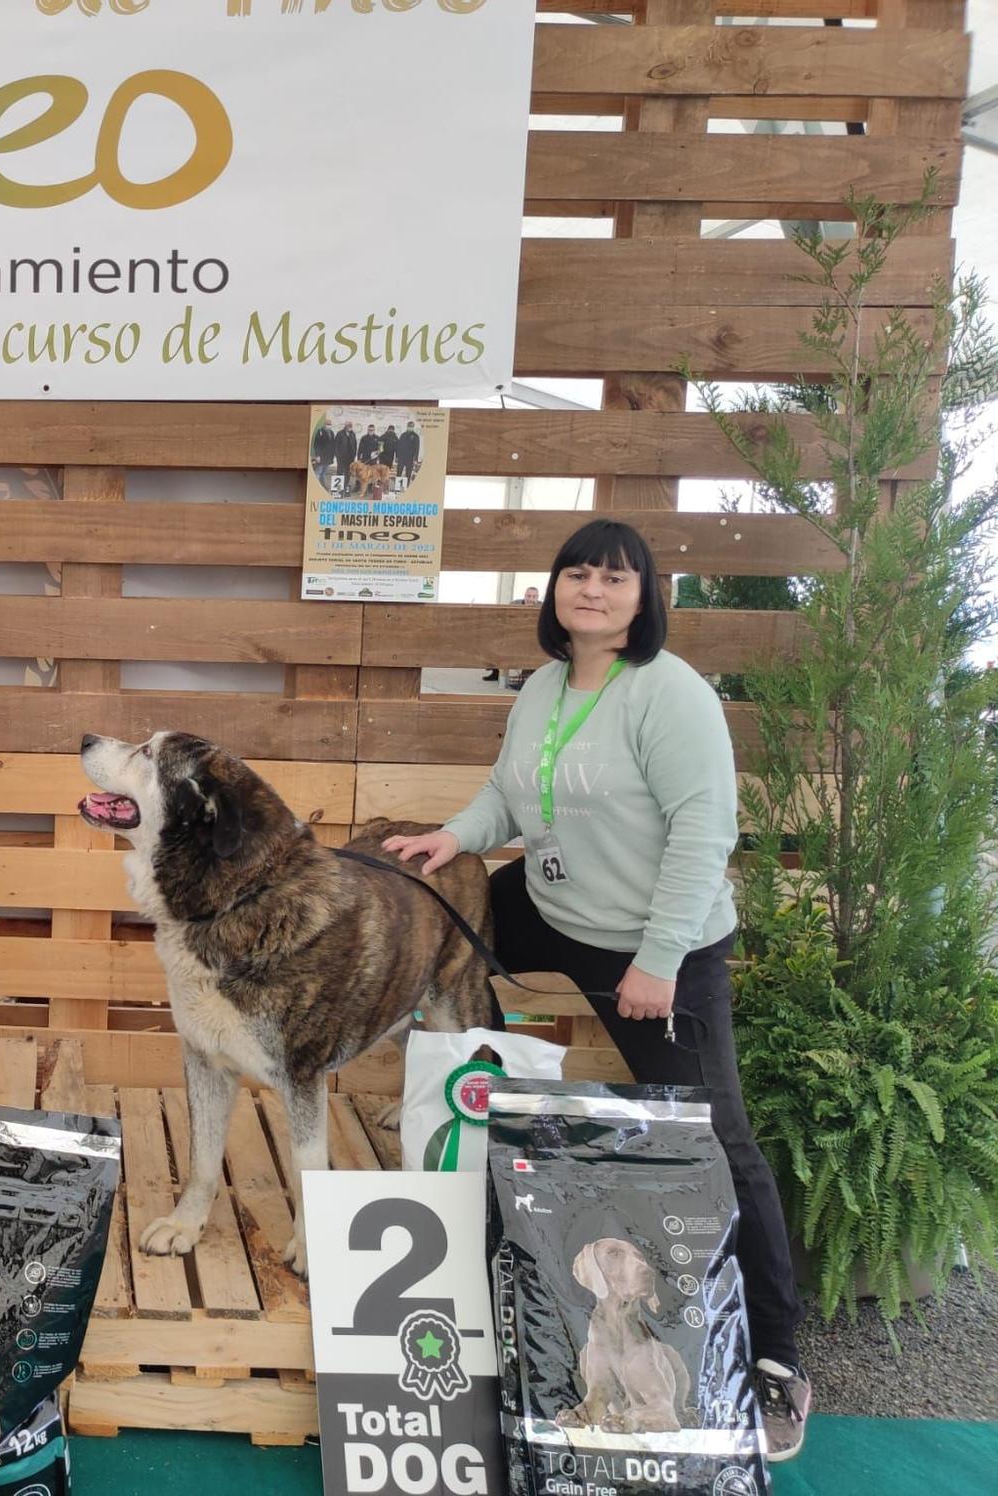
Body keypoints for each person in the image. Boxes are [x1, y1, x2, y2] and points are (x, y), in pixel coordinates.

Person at [382, 519, 812, 1462]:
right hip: (551, 908)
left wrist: (657, 961)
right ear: (555, 593)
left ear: (645, 597)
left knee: (719, 1131)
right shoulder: (542, 686)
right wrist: (453, 839)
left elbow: (706, 835)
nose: (592, 589)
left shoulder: (671, 695)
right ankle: (471, 1109)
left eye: (615, 578)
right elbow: (507, 795)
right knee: (436, 926)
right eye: (577, 573)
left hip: (660, 944)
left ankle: (779, 1357)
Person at [332, 420, 357, 494]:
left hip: (350, 457)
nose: (350, 428)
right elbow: (336, 446)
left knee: (347, 473)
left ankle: (345, 487)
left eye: (351, 426)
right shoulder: (340, 433)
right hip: (341, 457)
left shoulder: (353, 434)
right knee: (340, 471)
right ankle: (338, 489)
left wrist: (354, 455)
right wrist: (337, 455)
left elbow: (355, 445)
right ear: (345, 427)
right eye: (348, 426)